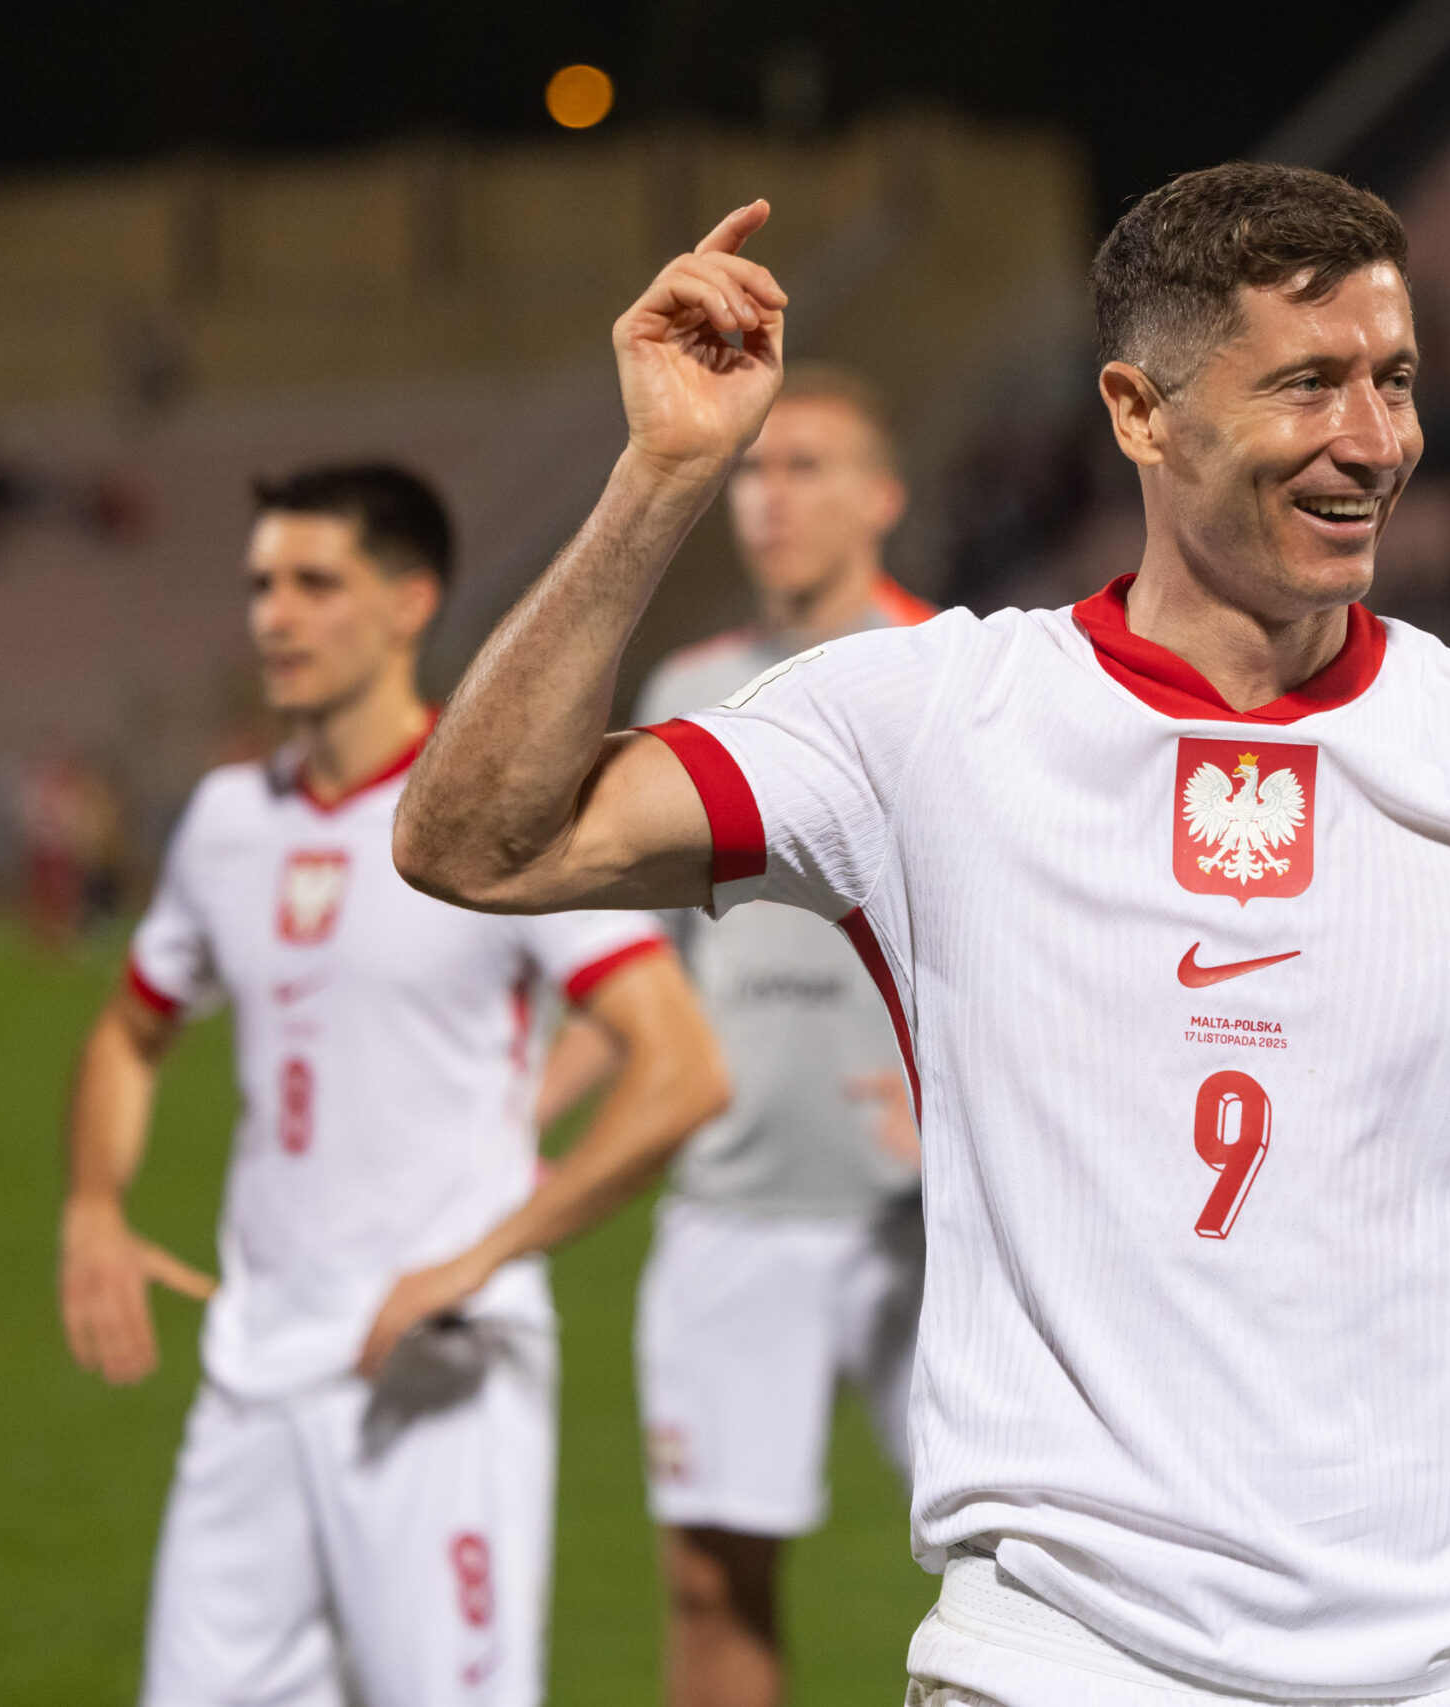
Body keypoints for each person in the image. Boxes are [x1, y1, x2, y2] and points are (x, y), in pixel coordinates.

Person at [393, 163, 1450, 1705]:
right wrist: (662, 478)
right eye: (1308, 382)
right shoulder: (931, 721)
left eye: (1395, 380)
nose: (1373, 441)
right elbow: (481, 840)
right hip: (1054, 1662)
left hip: (1449, 1666)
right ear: (1138, 410)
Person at [57, 463, 728, 1707]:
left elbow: (680, 1070)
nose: (275, 616)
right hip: (251, 1375)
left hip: (435, 1376)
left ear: (413, 602)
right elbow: (129, 1032)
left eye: (316, 584)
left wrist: (476, 1259)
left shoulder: (489, 823)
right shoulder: (222, 819)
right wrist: (95, 1204)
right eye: (262, 584)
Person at [628, 365, 934, 1707]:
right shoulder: (689, 685)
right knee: (709, 1572)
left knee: (1023, 1571)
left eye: (805, 466)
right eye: (753, 469)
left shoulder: (952, 670)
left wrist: (960, 1090)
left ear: (882, 496)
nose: (768, 495)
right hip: (734, 1197)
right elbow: (656, 961)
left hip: (929, 1217)